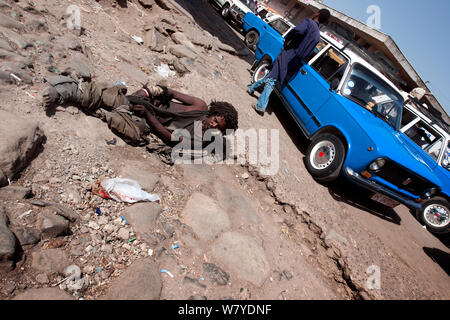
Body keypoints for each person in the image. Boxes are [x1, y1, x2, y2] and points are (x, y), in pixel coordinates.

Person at [42, 75, 238, 151]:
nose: (212, 125)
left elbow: (168, 136)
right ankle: (63, 91)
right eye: (214, 120)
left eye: (217, 128)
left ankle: (97, 109)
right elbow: (168, 91)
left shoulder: (200, 140)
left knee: (131, 131)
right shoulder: (199, 106)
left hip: (145, 120)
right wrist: (145, 93)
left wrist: (147, 114)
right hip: (146, 104)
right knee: (110, 97)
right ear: (213, 113)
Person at [247, 8, 331, 115]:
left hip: (289, 54)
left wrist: (288, 39)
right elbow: (309, 54)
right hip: (295, 62)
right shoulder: (317, 36)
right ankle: (251, 88)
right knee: (273, 74)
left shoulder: (308, 22)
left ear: (317, 14)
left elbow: (298, 30)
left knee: (272, 79)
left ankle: (261, 106)